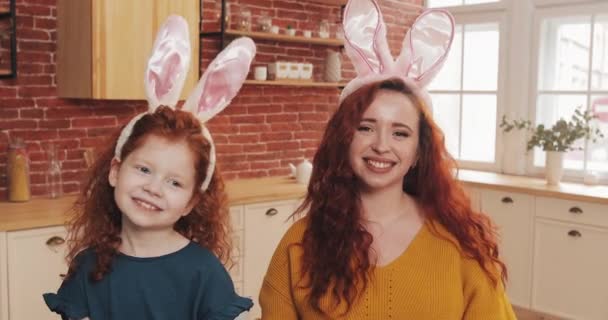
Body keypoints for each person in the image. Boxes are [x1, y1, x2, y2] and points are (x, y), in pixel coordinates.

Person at [258, 1, 516, 319]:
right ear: (345, 139)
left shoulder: (462, 243)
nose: (381, 145)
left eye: (400, 133)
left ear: (420, 152)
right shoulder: (300, 244)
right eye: (366, 127)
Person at [43, 16, 256, 320]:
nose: (153, 188)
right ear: (115, 171)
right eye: (143, 170)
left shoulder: (205, 274)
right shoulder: (87, 268)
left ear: (192, 202)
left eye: (175, 183)